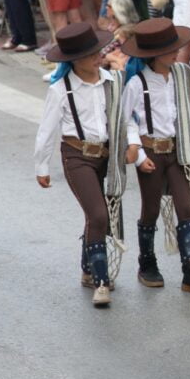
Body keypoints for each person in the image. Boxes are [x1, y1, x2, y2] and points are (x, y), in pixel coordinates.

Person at [34, 23, 126, 307]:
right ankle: (100, 280)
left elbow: (124, 117)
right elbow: (47, 130)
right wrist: (42, 167)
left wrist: (130, 145)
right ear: (74, 61)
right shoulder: (61, 90)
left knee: (96, 214)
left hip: (106, 157)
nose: (97, 57)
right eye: (90, 55)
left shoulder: (111, 81)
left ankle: (87, 267)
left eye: (98, 51)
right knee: (98, 214)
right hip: (77, 157)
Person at [121, 18, 190, 295]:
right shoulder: (137, 83)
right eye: (170, 49)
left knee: (186, 207)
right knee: (151, 209)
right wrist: (137, 154)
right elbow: (127, 120)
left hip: (176, 151)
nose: (177, 52)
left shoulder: (181, 75)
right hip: (151, 154)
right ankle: (146, 261)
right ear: (152, 55)